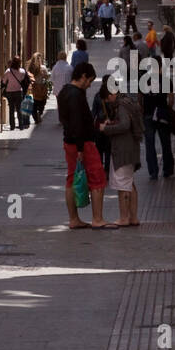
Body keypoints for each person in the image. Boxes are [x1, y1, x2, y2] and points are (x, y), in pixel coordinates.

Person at [56, 63, 115, 229]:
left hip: (69, 141)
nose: (89, 84)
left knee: (71, 178)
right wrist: (81, 148)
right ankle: (98, 219)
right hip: (82, 144)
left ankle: (74, 219)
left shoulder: (64, 91)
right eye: (89, 80)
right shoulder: (76, 95)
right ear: (82, 76)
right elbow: (77, 122)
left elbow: (64, 119)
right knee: (97, 177)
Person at [99, 83, 144, 226]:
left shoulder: (122, 106)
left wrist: (107, 127)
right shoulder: (127, 102)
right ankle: (133, 217)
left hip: (123, 149)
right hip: (130, 148)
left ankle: (124, 217)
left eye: (107, 99)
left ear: (112, 94)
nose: (107, 102)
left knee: (123, 184)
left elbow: (125, 125)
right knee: (129, 183)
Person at [90, 76, 114, 178]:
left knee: (99, 150)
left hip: (99, 126)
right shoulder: (113, 96)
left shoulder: (97, 96)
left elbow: (94, 112)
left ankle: (100, 170)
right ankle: (107, 171)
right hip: (109, 126)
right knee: (108, 150)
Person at [1, 56, 30, 131]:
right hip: (18, 91)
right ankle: (21, 125)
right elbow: (23, 79)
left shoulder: (8, 71)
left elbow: (4, 81)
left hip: (9, 92)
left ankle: (12, 126)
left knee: (11, 109)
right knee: (19, 108)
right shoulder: (22, 71)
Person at [26, 53, 50, 125]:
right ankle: (39, 113)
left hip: (33, 89)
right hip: (41, 88)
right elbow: (46, 77)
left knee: (34, 105)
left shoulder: (29, 68)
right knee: (42, 103)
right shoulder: (43, 68)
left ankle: (36, 118)